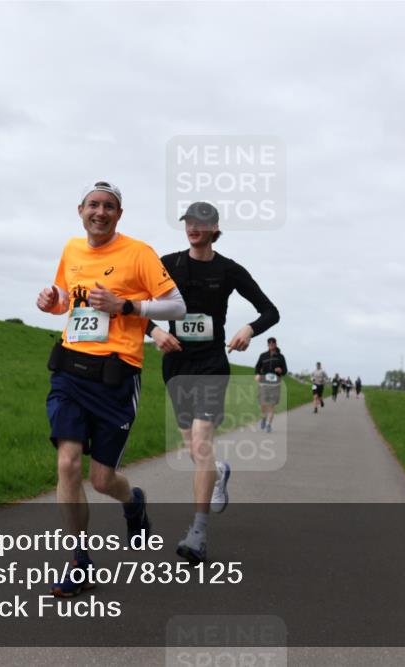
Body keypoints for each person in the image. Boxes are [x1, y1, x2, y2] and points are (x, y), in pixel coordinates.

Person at [38, 181, 185, 595]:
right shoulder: (71, 249)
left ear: (119, 215)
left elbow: (177, 305)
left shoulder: (138, 253)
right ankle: (78, 560)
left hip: (116, 375)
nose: (100, 212)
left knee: (102, 480)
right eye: (93, 205)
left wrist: (126, 306)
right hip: (69, 368)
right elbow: (67, 300)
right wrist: (51, 300)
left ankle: (132, 500)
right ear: (80, 209)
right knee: (67, 464)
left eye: (109, 207)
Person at [146, 201, 279, 564]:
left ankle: (198, 532)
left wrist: (249, 329)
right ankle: (219, 472)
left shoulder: (229, 270)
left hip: (211, 364)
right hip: (176, 364)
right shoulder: (167, 264)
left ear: (214, 227)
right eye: (188, 221)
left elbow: (271, 311)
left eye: (200, 222)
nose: (193, 226)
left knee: (202, 441)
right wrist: (155, 331)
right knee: (194, 446)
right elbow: (134, 303)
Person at [255, 337, 287, 433]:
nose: (271, 344)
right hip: (264, 383)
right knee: (263, 404)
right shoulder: (263, 356)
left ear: (276, 344)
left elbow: (285, 370)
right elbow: (257, 367)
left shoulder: (281, 357)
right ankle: (264, 418)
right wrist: (257, 375)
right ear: (268, 344)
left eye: (273, 343)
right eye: (270, 343)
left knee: (272, 405)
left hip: (275, 384)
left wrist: (281, 370)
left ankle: (269, 425)